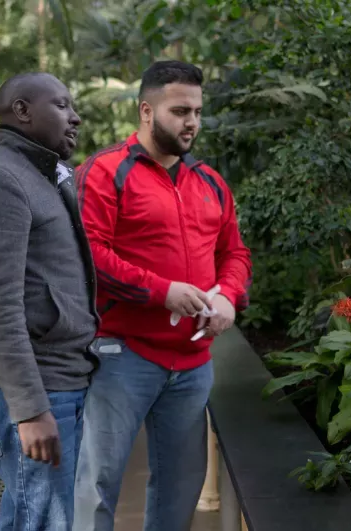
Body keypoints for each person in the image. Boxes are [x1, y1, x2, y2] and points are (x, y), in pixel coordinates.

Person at [72, 60, 252, 531]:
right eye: (179, 110)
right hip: (121, 355)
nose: (191, 121)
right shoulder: (104, 171)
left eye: (196, 110)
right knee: (95, 486)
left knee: (180, 488)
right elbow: (90, 255)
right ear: (147, 112)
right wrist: (162, 292)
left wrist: (229, 297)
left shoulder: (210, 181)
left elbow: (235, 252)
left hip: (193, 365)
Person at [0, 72, 100, 531]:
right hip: (37, 392)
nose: (75, 117)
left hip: (62, 381)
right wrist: (30, 410)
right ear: (22, 111)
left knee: (37, 519)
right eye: (61, 105)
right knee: (40, 522)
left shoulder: (44, 177)